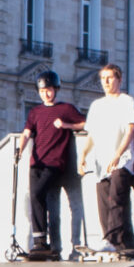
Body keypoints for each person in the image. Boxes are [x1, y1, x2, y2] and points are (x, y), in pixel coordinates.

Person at [15, 70, 86, 257]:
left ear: (56, 89)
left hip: (55, 162)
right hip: (36, 161)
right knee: (36, 198)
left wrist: (66, 126)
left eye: (49, 90)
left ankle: (46, 241)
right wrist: (20, 150)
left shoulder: (66, 109)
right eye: (42, 91)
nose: (46, 94)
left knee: (38, 193)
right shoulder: (35, 112)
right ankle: (40, 242)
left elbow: (84, 124)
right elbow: (27, 133)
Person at [77, 63, 134, 259]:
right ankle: (119, 244)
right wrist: (83, 156)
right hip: (101, 162)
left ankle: (112, 240)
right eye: (103, 78)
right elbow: (91, 135)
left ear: (119, 80)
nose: (105, 82)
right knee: (104, 202)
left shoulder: (127, 101)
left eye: (110, 78)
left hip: (121, 160)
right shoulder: (97, 106)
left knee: (116, 199)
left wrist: (118, 154)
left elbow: (130, 130)